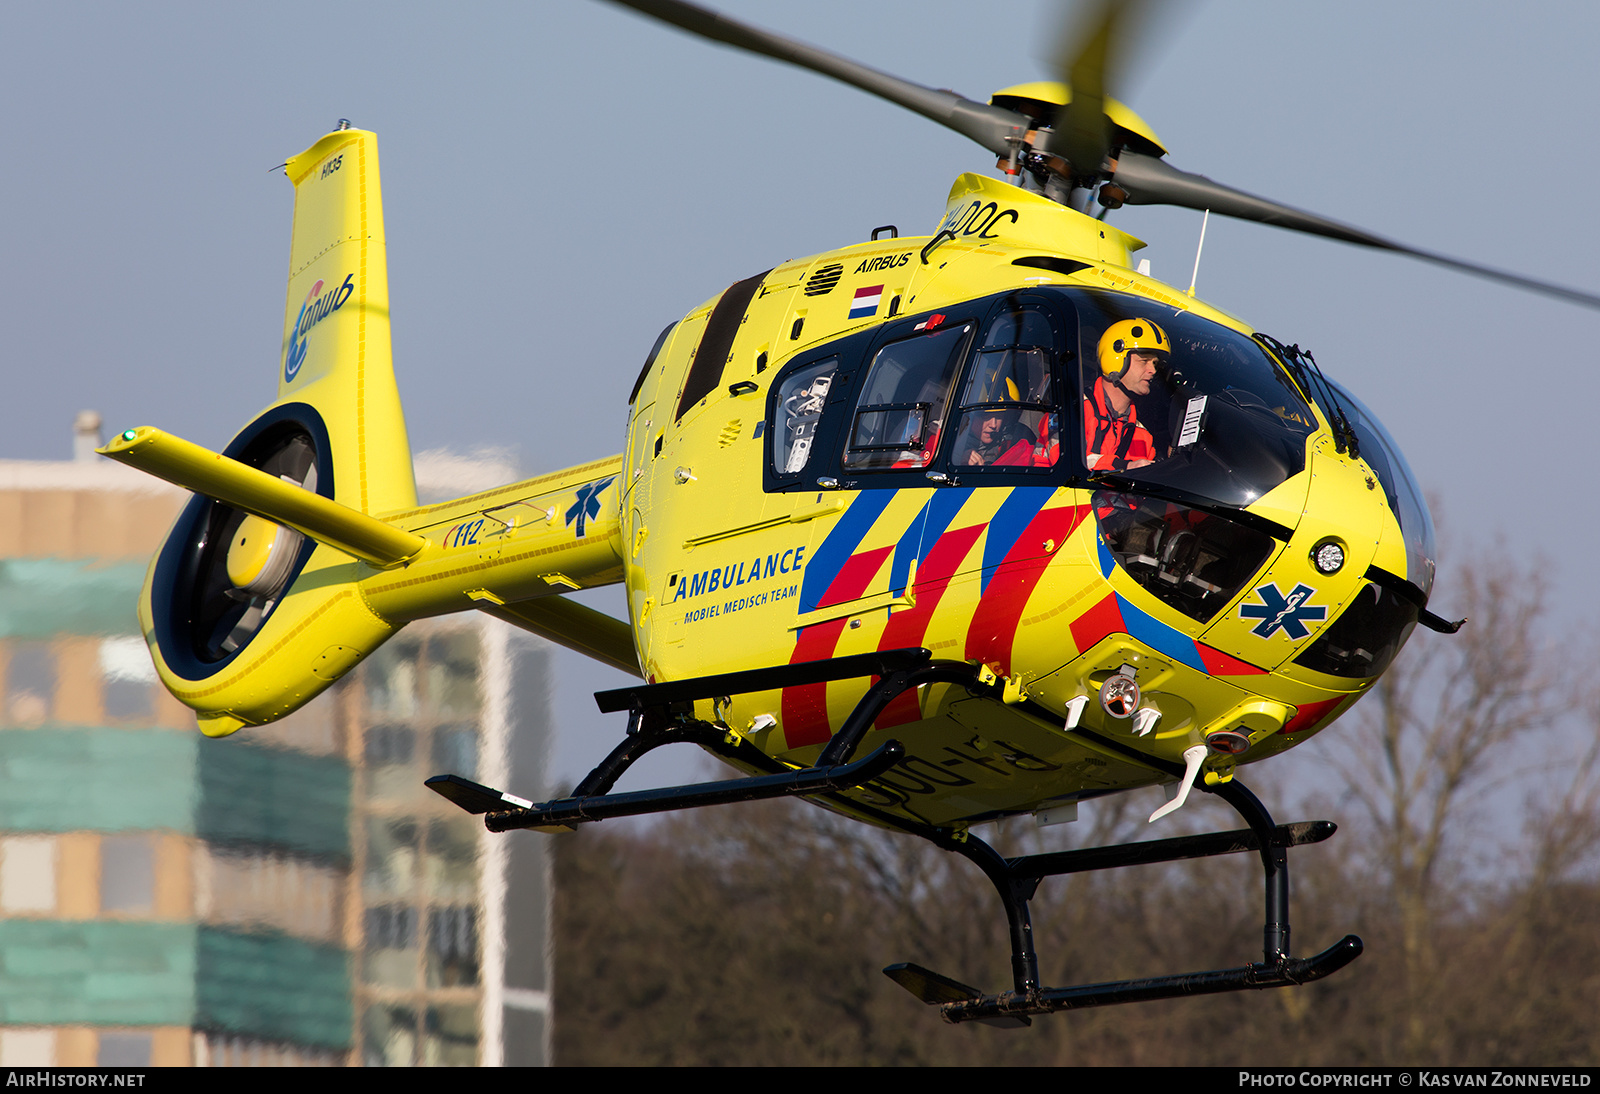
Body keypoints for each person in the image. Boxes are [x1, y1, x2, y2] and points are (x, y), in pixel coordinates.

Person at [1085, 317, 1167, 472]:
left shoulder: (1143, 436)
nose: (1153, 371)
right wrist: (1125, 466)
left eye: (1155, 364)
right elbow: (1067, 461)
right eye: (1144, 361)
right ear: (1115, 360)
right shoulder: (1073, 411)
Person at [954, 376, 1037, 466]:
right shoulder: (947, 444)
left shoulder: (1014, 444)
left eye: (999, 417)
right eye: (985, 417)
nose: (993, 425)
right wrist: (958, 459)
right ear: (968, 417)